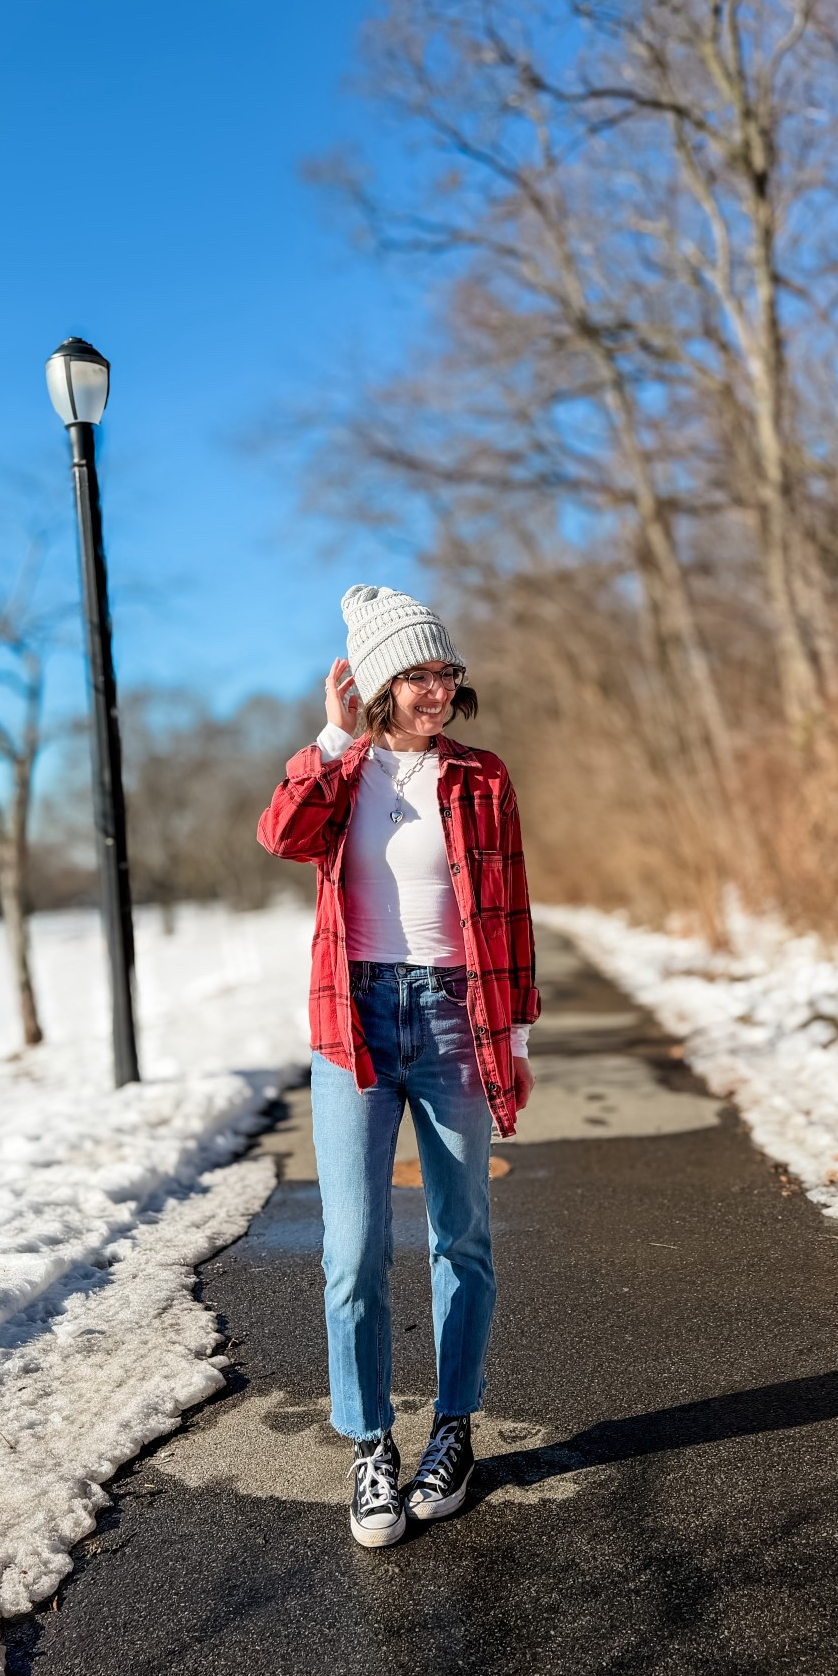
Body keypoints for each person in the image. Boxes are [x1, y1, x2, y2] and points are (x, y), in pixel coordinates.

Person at [257, 584, 540, 1548]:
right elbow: (281, 836)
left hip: (458, 1014)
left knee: (461, 1237)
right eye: (417, 675)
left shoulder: (482, 777)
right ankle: (370, 1444)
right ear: (379, 684)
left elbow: (510, 915)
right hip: (357, 1021)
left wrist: (516, 1038)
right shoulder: (343, 774)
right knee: (353, 1249)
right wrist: (332, 743)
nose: (437, 690)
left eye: (445, 673)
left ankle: (452, 1429)